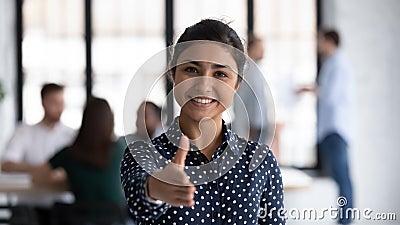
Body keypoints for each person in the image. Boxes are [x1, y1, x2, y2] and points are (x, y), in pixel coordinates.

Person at [121, 19, 285, 224]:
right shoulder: (144, 153)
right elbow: (137, 201)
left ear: (237, 85)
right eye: (191, 70)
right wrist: (155, 189)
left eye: (220, 74)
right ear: (173, 74)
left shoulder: (261, 161)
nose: (204, 84)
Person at [298, 29, 354, 224]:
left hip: (335, 128)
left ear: (330, 41)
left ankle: (345, 220)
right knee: (341, 178)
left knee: (342, 178)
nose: (318, 45)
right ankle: (344, 218)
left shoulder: (338, 63)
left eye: (320, 41)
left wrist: (310, 88)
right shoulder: (333, 63)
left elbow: (330, 96)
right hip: (333, 128)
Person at [32, 97, 126, 205]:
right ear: (110, 122)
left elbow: (36, 177)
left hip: (81, 218)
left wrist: (65, 180)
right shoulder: (119, 149)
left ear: (84, 121)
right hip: (116, 218)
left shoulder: (69, 153)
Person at [1, 83, 75, 173]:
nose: (60, 108)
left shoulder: (72, 135)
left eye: (61, 103)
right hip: (31, 186)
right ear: (43, 103)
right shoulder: (25, 132)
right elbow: (6, 163)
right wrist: (41, 171)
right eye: (55, 103)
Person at [233, 34, 270, 144]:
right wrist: (251, 125)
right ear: (251, 49)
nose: (263, 51)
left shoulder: (256, 69)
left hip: (258, 124)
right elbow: (245, 100)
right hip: (251, 126)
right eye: (260, 48)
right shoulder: (247, 71)